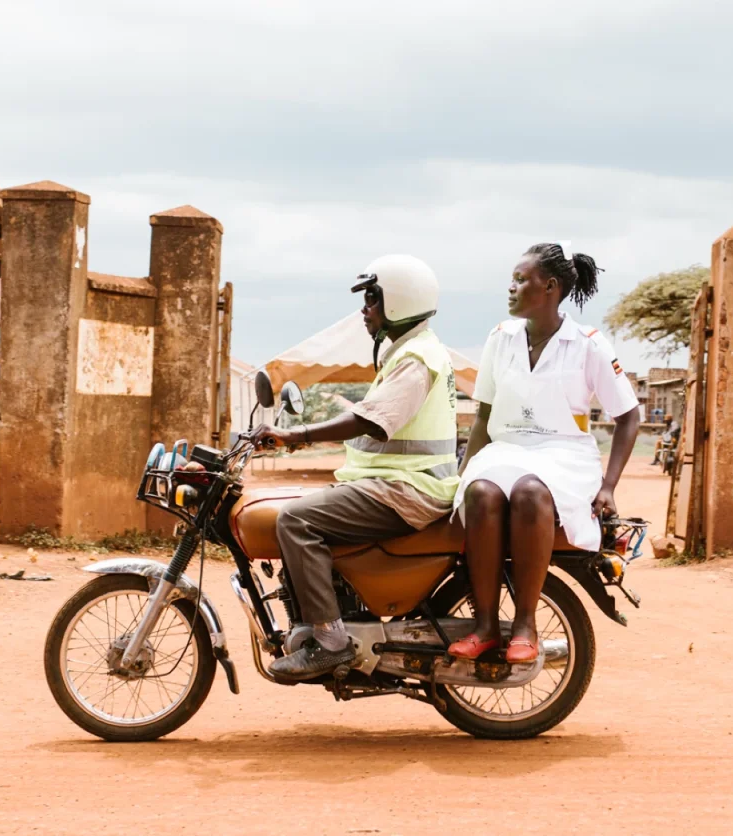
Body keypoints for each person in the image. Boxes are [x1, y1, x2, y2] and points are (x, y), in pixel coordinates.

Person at [250, 255, 459, 683]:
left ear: (398, 301)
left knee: (294, 520)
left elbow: (370, 421)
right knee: (303, 509)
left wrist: (296, 436)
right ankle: (326, 617)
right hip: (395, 485)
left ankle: (331, 642)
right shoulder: (409, 353)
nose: (364, 309)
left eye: (371, 298)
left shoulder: (416, 359)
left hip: (407, 490)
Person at [448, 242, 641, 663]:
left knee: (530, 493)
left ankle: (525, 624)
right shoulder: (500, 338)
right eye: (511, 281)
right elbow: (483, 415)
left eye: (521, 280)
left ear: (550, 287)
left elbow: (629, 415)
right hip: (507, 449)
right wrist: (461, 476)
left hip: (564, 455)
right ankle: (484, 625)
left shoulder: (588, 344)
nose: (511, 289)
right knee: (480, 492)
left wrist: (608, 487)